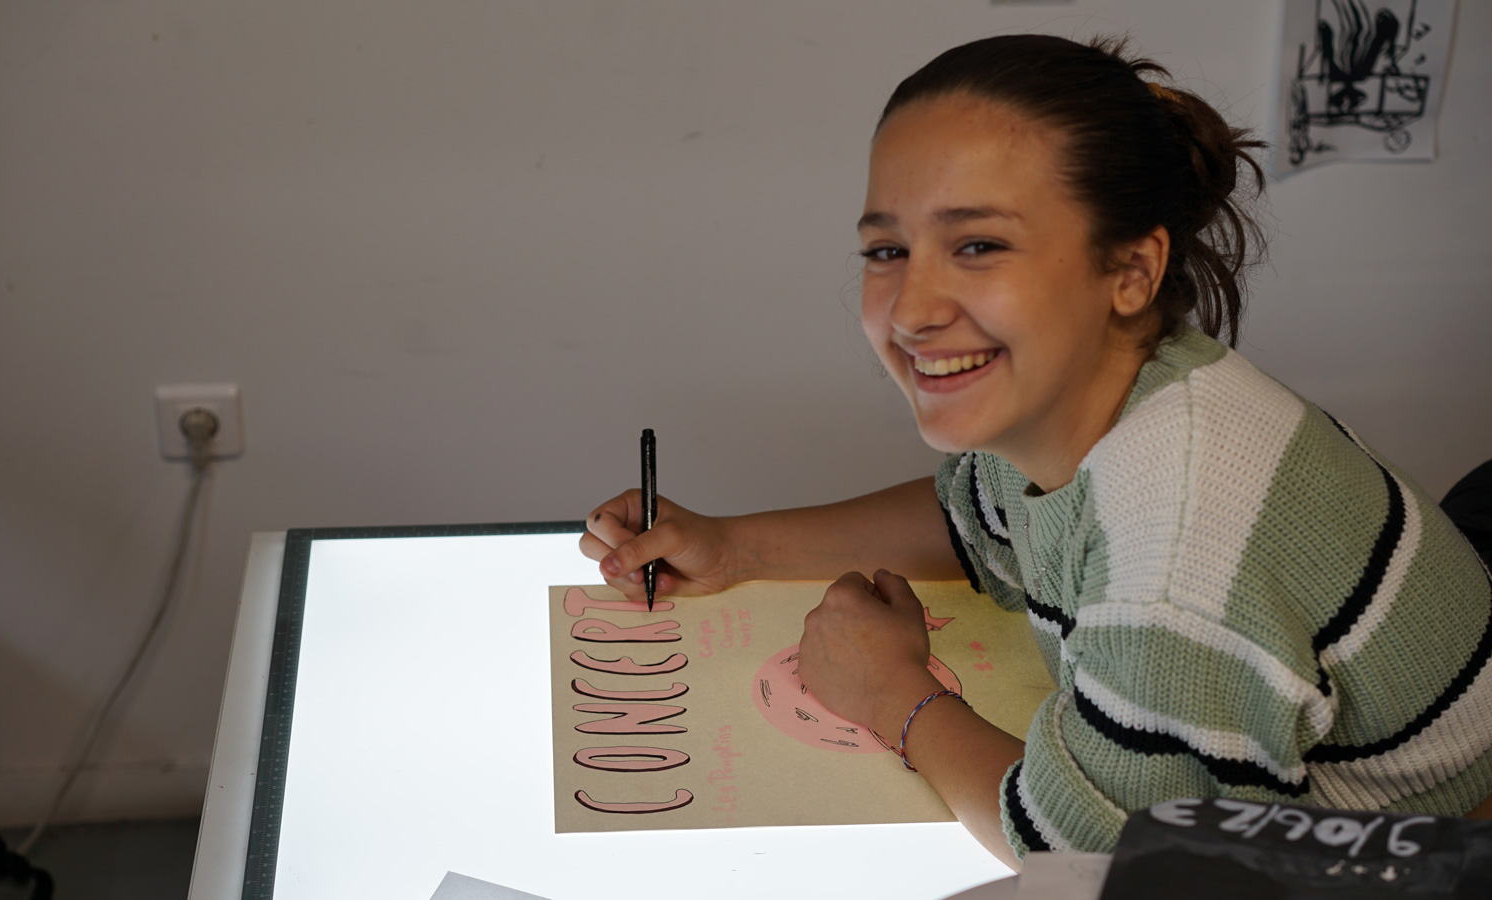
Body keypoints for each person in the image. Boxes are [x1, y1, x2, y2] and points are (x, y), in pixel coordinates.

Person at [580, 34, 1492, 868]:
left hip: (1426, 856)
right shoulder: (1114, 390)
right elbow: (970, 514)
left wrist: (894, 695)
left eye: (978, 245)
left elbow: (1092, 859)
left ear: (1130, 271)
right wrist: (735, 544)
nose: (911, 309)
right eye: (888, 249)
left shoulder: (1182, 539)